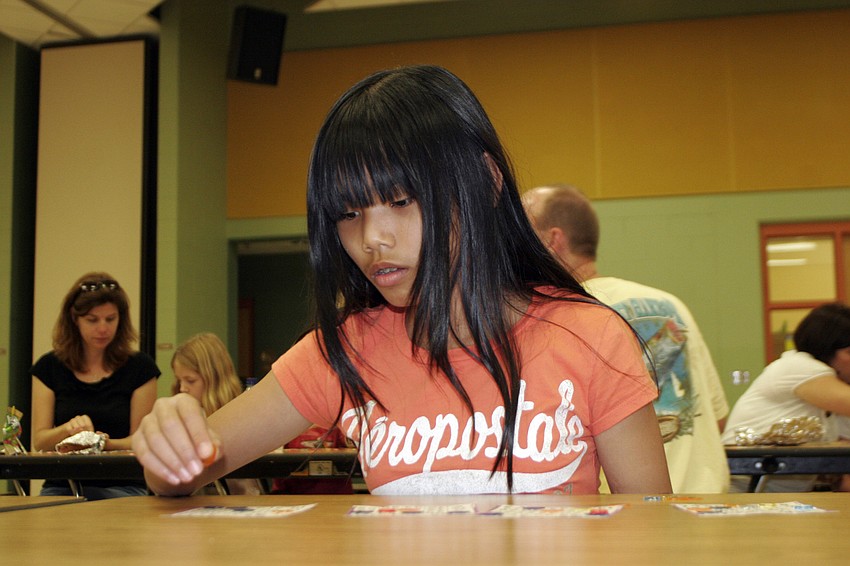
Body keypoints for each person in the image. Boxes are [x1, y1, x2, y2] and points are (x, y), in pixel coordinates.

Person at [132, 65, 672, 497]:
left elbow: (653, 531)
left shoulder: (591, 337)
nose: (372, 238)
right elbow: (179, 472)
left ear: (484, 182)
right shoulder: (343, 350)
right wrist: (169, 443)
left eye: (400, 201)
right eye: (348, 213)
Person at [523, 184, 730, 493]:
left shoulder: (559, 317)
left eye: (522, 232)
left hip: (630, 518)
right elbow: (716, 420)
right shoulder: (672, 305)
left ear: (552, 240)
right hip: (705, 506)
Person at [31, 272, 160, 499]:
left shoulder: (141, 368)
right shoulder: (48, 367)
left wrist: (99, 443)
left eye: (110, 319)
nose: (103, 328)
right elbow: (40, 441)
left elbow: (140, 439)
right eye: (92, 320)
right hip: (63, 486)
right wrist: (69, 431)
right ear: (74, 318)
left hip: (122, 486)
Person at [721, 302, 850, 492]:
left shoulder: (830, 394)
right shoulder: (799, 366)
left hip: (782, 498)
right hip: (742, 491)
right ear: (826, 349)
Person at [171, 332, 262, 495]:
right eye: (179, 381)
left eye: (190, 381)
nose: (182, 388)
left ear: (214, 378)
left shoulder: (242, 414)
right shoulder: (184, 414)